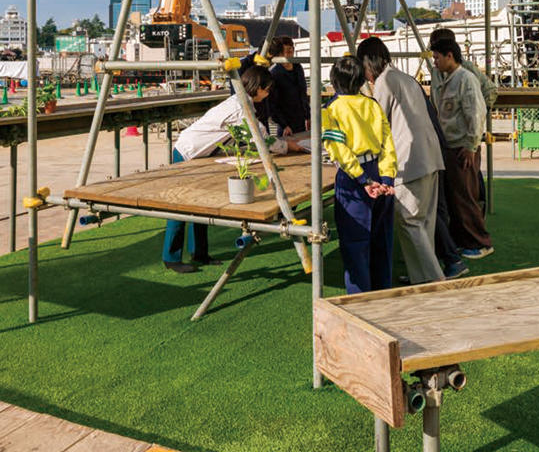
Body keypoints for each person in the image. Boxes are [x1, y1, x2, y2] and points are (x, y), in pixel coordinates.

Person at [165, 65, 304, 273]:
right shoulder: (241, 108)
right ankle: (171, 257)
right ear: (257, 88)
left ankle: (199, 253)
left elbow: (257, 131)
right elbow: (261, 138)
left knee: (199, 203)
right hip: (187, 152)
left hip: (201, 154)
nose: (267, 95)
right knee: (181, 205)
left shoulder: (241, 102)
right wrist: (287, 146)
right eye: (266, 89)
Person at [357, 37, 445, 284]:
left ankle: (434, 280)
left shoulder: (385, 81)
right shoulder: (404, 77)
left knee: (409, 221)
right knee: (423, 222)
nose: (365, 76)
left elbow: (377, 123)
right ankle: (421, 276)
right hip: (429, 156)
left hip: (410, 161)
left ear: (369, 62)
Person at [321, 54, 398, 293]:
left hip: (353, 177)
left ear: (334, 79)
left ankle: (360, 297)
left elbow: (339, 150)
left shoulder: (331, 109)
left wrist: (363, 180)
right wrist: (386, 179)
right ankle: (382, 290)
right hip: (378, 168)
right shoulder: (372, 104)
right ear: (361, 79)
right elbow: (388, 143)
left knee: (355, 242)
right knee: (381, 239)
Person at [430, 37, 493, 259]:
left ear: (449, 55)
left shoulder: (465, 78)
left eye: (437, 57)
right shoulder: (447, 78)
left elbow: (476, 113)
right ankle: (463, 240)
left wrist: (470, 146)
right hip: (451, 147)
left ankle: (480, 242)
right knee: (456, 197)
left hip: (462, 148)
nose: (434, 62)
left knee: (465, 197)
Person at [264, 36, 309, 135]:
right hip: (285, 124)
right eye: (284, 52)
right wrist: (284, 125)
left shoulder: (298, 67)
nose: (287, 54)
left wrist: (308, 116)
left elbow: (303, 94)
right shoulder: (275, 73)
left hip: (301, 120)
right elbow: (273, 104)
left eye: (290, 51)